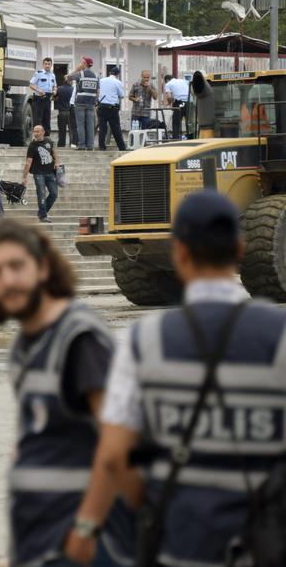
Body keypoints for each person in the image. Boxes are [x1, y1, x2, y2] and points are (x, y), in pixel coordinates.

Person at [65, 190, 286, 567]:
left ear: (179, 253)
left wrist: (103, 522)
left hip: (180, 543)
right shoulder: (280, 336)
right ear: (239, 250)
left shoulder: (142, 342)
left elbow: (115, 456)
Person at [0, 219, 133, 567]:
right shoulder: (28, 344)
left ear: (42, 267)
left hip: (81, 541)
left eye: (16, 266)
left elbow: (118, 445)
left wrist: (86, 528)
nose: (7, 280)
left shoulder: (79, 337)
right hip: (40, 537)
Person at [22, 125, 59, 223]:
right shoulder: (32, 145)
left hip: (50, 172)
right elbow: (28, 162)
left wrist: (57, 162)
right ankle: (43, 216)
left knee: (54, 194)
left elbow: (54, 151)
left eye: (38, 131)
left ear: (43, 132)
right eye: (34, 131)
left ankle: (41, 212)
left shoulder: (48, 141)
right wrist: (24, 177)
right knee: (41, 194)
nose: (36, 133)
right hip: (38, 174)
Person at [65, 57, 98, 151]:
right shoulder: (96, 75)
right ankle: (90, 145)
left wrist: (76, 69)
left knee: (80, 125)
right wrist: (95, 101)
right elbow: (98, 90)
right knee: (90, 125)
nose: (80, 64)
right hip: (91, 103)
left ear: (84, 63)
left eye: (81, 63)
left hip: (80, 103)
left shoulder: (80, 74)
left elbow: (67, 77)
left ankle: (82, 145)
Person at [96, 67, 127, 152]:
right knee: (116, 128)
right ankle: (122, 147)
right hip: (112, 108)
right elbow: (122, 95)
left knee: (102, 128)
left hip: (102, 106)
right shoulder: (118, 82)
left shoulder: (101, 80)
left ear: (110, 72)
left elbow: (98, 91)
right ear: (117, 74)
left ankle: (102, 146)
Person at [30, 57, 57, 134]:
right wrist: (38, 90)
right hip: (39, 97)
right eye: (46, 64)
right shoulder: (38, 73)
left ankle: (46, 137)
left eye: (49, 64)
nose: (47, 65)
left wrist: (55, 91)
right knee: (38, 119)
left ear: (51, 65)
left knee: (47, 118)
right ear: (43, 64)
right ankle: (37, 137)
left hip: (48, 98)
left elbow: (55, 86)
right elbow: (31, 85)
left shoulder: (52, 75)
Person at [163, 73, 190, 140]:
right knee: (189, 122)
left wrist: (169, 103)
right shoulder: (183, 81)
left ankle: (176, 139)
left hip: (179, 103)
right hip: (189, 102)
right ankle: (191, 137)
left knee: (176, 122)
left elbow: (169, 97)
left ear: (167, 80)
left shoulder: (168, 84)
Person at [54, 77, 75, 148]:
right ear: (71, 81)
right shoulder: (73, 89)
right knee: (72, 130)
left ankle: (61, 144)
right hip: (71, 112)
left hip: (62, 112)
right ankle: (72, 143)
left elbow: (54, 97)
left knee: (61, 130)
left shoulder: (59, 88)